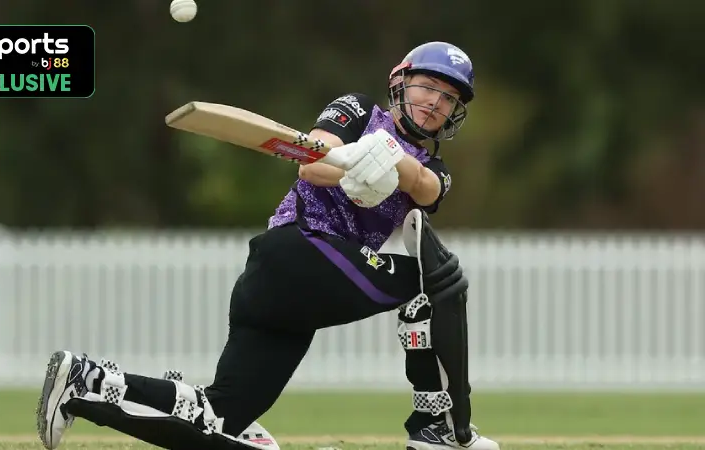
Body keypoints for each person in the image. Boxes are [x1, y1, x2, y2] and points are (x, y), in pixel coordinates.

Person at [36, 41, 498, 450]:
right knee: (435, 283)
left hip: (293, 296)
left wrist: (392, 165)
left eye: (448, 96)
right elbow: (311, 160)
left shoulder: (434, 166)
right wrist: (353, 167)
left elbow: (426, 190)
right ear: (401, 82)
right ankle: (438, 428)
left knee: (219, 417)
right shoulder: (360, 111)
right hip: (298, 251)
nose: (434, 102)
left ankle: (83, 382)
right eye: (427, 87)